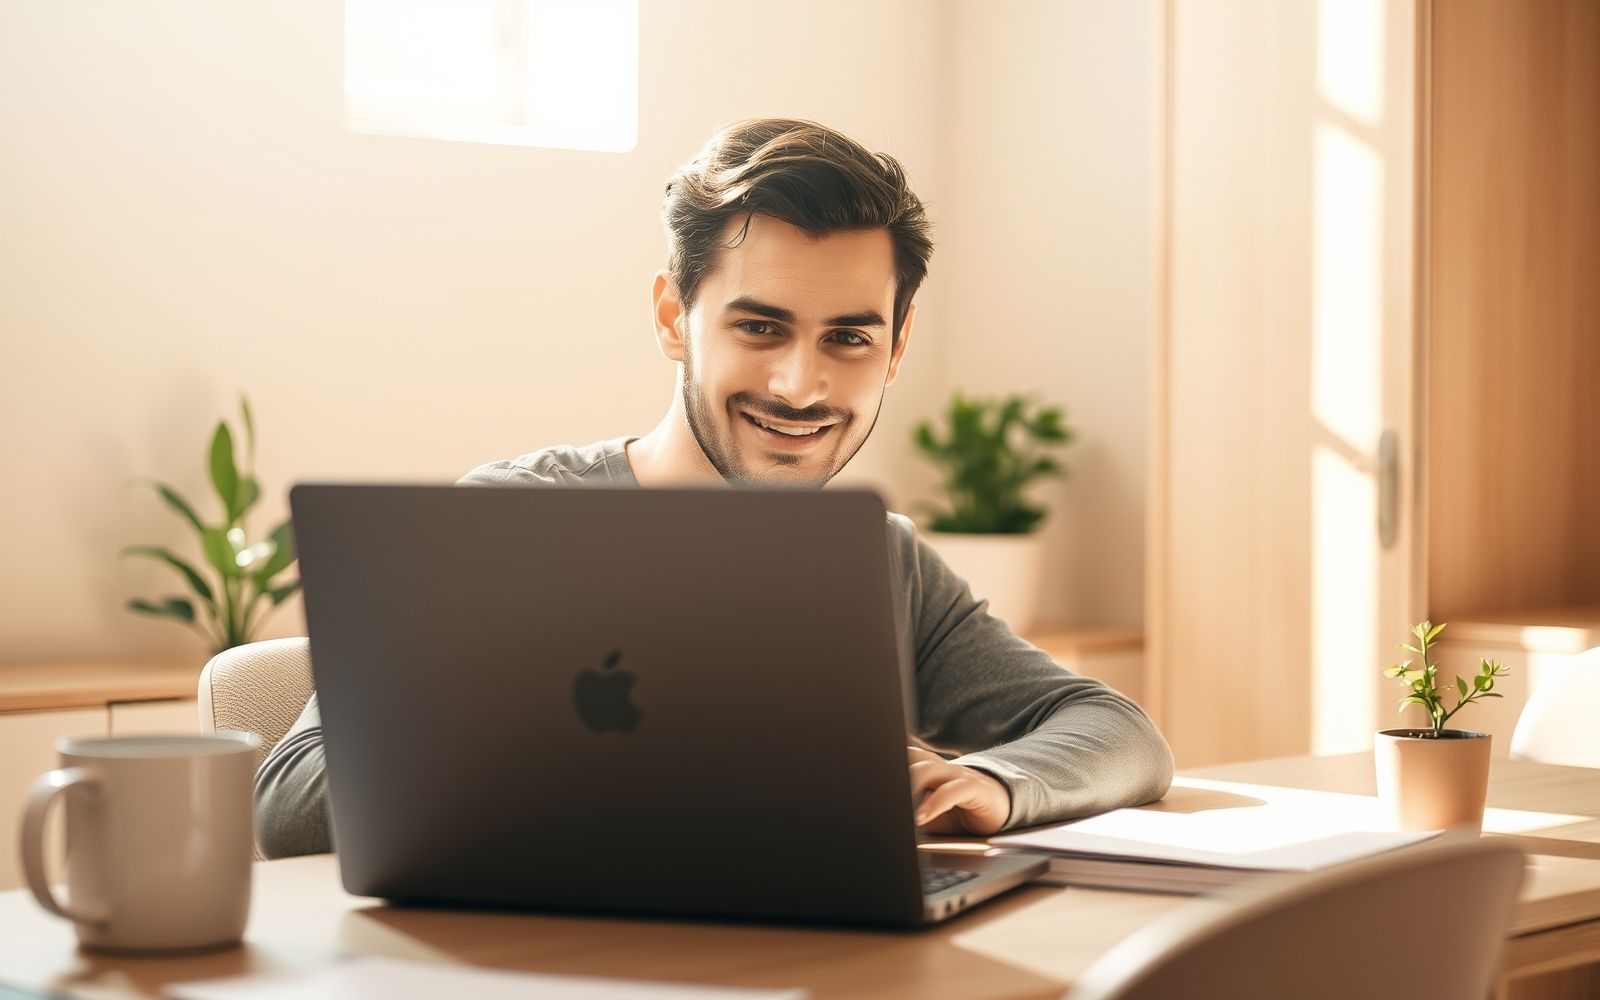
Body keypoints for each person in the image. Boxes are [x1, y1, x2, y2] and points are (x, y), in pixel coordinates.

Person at [255, 118, 1173, 859]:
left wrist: (992, 784)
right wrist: (653, 774)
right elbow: (291, 798)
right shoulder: (510, 517)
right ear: (673, 318)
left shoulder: (880, 559)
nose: (800, 387)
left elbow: (1118, 731)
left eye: (848, 338)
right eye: (761, 327)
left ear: (895, 347)